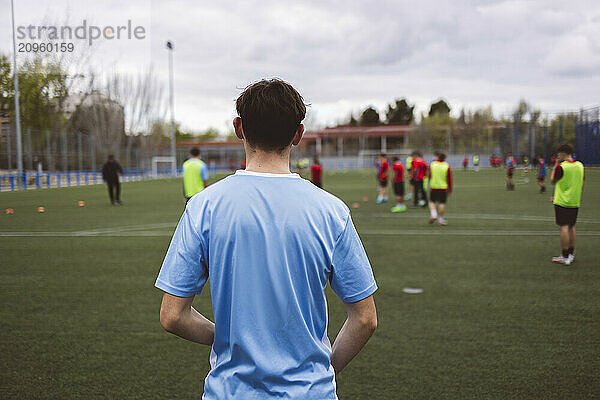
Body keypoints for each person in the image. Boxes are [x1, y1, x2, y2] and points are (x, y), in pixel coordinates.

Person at [155, 79, 377, 399]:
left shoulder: (203, 207)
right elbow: (365, 319)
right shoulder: (332, 212)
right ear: (298, 134)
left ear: (239, 127)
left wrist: (225, 337)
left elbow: (172, 316)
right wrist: (324, 370)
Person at [550, 143, 584, 266]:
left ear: (563, 153)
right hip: (575, 201)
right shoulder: (580, 165)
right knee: (572, 226)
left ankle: (564, 256)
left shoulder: (561, 167)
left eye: (559, 154)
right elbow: (581, 181)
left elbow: (552, 180)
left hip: (562, 201)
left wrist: (555, 165)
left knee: (563, 227)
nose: (558, 156)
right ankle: (571, 254)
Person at [428, 152, 452, 226]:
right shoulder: (446, 166)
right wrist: (450, 189)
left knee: (432, 202)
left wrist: (429, 183)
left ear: (437, 157)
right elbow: (449, 179)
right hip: (443, 187)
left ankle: (434, 214)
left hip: (434, 187)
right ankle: (440, 220)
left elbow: (429, 175)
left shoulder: (432, 164)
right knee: (442, 203)